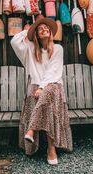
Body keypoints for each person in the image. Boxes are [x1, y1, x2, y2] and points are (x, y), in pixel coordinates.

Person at [10, 17, 73, 165]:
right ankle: (50, 149)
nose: (44, 29)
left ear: (50, 32)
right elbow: (14, 42)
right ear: (37, 35)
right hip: (35, 86)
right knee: (46, 102)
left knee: (48, 93)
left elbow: (53, 72)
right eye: (40, 29)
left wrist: (42, 87)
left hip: (54, 85)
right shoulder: (30, 49)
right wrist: (28, 31)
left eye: (46, 28)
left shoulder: (58, 49)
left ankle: (36, 134)